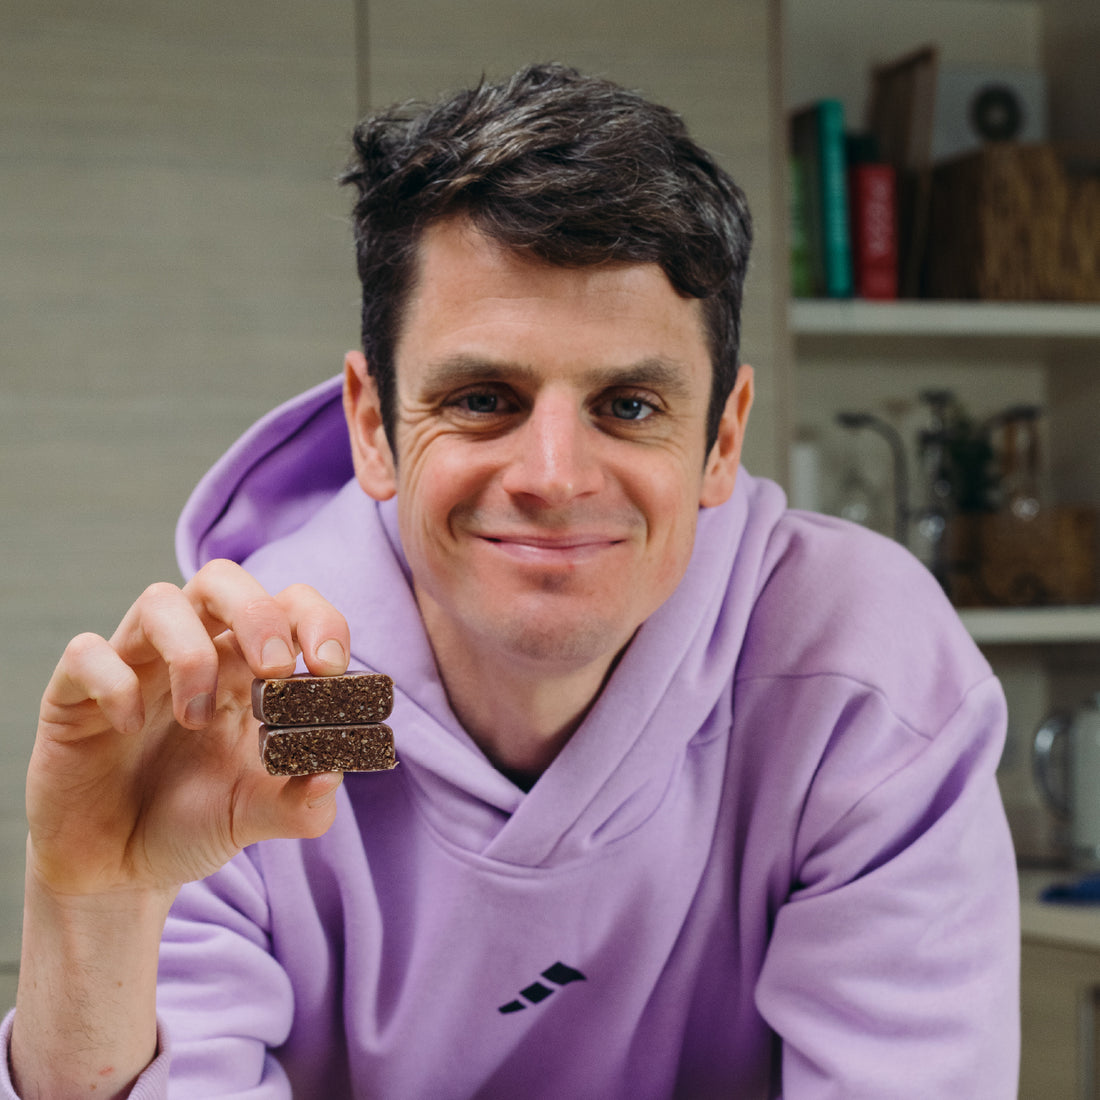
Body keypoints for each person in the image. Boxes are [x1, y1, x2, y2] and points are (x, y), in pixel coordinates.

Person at [5, 63, 1019, 1098]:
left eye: (627, 406)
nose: (552, 478)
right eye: (484, 396)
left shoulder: (851, 677)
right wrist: (91, 907)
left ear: (720, 438)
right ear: (371, 424)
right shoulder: (274, 706)